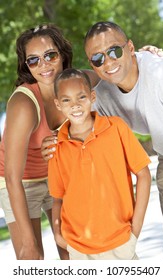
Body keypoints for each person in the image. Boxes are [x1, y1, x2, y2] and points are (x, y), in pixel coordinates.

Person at [0, 24, 98, 260]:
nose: (43, 65)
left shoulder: (77, 82)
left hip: (57, 175)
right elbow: (12, 178)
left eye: (50, 55)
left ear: (62, 54)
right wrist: (29, 242)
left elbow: (108, 71)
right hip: (20, 184)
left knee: (73, 251)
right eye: (33, 60)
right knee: (32, 259)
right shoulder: (24, 105)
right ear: (26, 66)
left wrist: (143, 55)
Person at [83, 21, 163, 260]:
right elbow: (79, 127)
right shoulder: (102, 95)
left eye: (114, 51)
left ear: (130, 48)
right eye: (98, 58)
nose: (109, 62)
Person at [48, 68, 151, 260]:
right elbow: (58, 199)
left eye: (81, 97)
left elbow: (143, 174)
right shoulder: (57, 146)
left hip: (121, 244)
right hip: (79, 251)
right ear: (58, 104)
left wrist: (134, 232)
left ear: (92, 96)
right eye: (66, 100)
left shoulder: (116, 128)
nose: (75, 105)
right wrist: (59, 236)